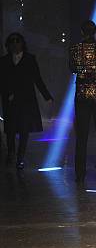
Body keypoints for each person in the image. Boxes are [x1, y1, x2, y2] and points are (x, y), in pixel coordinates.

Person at [0, 33, 53, 169]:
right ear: (8, 45)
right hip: (10, 101)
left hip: (26, 101)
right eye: (12, 41)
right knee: (10, 130)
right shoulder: (4, 61)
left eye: (17, 41)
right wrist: (7, 94)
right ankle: (11, 152)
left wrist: (47, 96)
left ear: (22, 43)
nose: (15, 44)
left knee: (24, 129)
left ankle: (20, 157)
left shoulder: (29, 59)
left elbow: (37, 79)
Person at [69, 20, 96, 184]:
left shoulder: (74, 49)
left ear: (81, 32)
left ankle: (80, 174)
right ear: (94, 32)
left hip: (82, 95)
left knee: (82, 137)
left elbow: (72, 68)